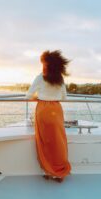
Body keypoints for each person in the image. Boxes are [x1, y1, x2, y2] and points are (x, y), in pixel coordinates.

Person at [26, 50, 71, 183]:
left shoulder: (40, 77)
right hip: (56, 110)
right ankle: (59, 173)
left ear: (46, 65)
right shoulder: (60, 78)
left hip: (43, 110)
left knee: (44, 141)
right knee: (58, 141)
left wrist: (37, 96)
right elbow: (64, 97)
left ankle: (47, 171)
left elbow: (28, 95)